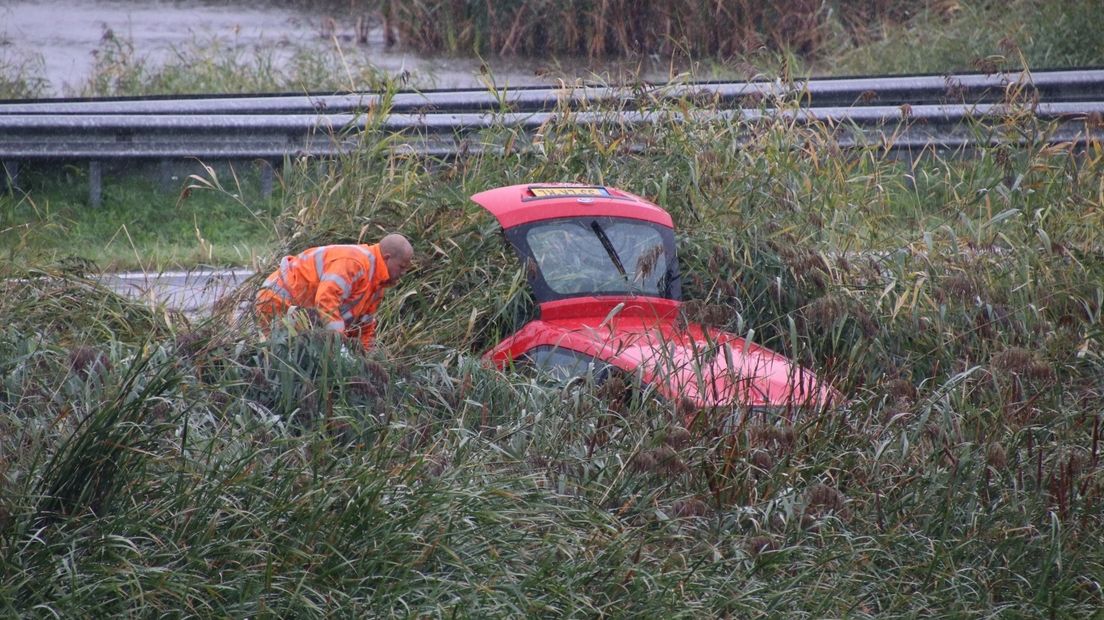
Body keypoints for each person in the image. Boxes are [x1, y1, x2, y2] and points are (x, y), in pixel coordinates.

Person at [255, 233, 414, 349]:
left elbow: (363, 328)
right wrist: (340, 348)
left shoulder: (377, 285)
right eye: (401, 266)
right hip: (277, 301)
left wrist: (367, 362)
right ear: (387, 257)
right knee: (278, 360)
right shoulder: (355, 262)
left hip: (300, 314)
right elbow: (326, 301)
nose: (403, 272)